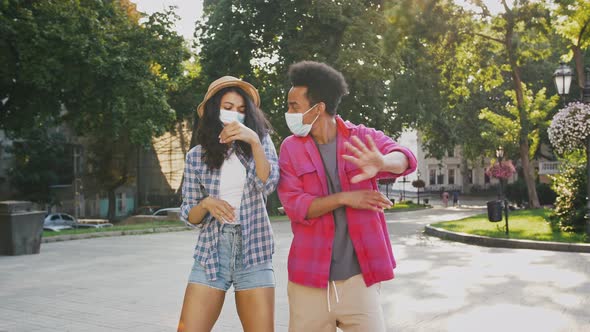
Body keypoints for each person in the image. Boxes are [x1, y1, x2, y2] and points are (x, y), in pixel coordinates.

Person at [277, 61, 417, 332]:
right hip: (309, 281)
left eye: (294, 106)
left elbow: (404, 157)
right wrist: (344, 198)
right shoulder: (290, 149)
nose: (288, 112)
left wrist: (383, 163)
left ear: (318, 108)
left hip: (360, 280)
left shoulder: (361, 137)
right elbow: (296, 206)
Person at [178, 76, 279, 332]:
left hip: (254, 248)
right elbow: (190, 215)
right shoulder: (196, 156)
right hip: (212, 250)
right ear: (214, 110)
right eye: (228, 106)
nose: (235, 113)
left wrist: (254, 140)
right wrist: (207, 203)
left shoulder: (261, 143)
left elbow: (267, 185)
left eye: (241, 109)